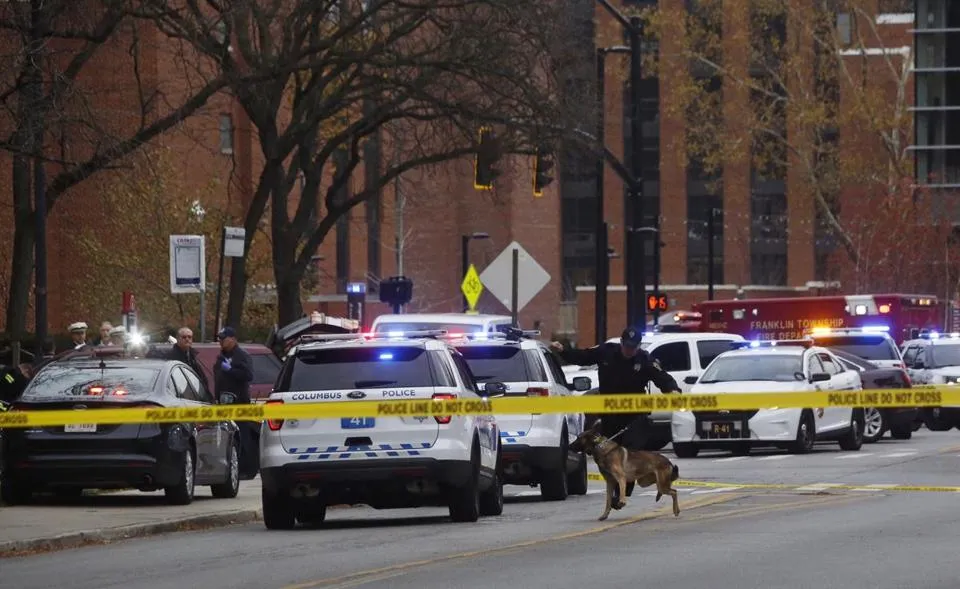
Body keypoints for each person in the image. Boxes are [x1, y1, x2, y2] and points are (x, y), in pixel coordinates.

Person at [550, 326, 681, 503]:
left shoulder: (644, 360)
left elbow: (662, 378)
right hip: (610, 416)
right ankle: (616, 489)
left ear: (638, 346)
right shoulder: (606, 352)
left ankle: (621, 494)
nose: (629, 350)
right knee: (607, 453)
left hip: (634, 417)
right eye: (627, 346)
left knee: (631, 453)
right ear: (621, 343)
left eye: (633, 347)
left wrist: (673, 390)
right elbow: (583, 356)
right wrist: (563, 351)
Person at [214, 326, 257, 477]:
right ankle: (233, 468)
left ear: (232, 339)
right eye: (219, 339)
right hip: (224, 404)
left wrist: (231, 370)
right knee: (229, 438)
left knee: (242, 436)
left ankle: (246, 469)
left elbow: (248, 375)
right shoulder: (221, 357)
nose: (221, 341)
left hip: (239, 403)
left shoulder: (241, 355)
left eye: (223, 339)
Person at [161, 327, 210, 394]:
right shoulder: (171, 357)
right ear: (177, 339)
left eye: (189, 337)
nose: (187, 339)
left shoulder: (193, 356)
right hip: (179, 392)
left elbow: (202, 379)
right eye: (184, 337)